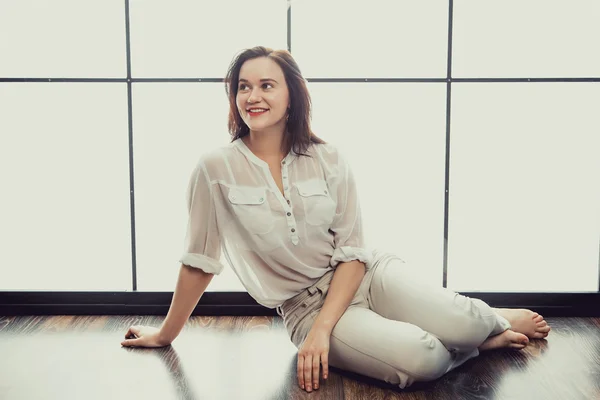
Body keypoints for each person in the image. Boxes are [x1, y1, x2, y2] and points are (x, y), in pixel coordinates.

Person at [120, 46, 551, 392]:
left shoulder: (328, 158)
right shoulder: (214, 168)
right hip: (303, 307)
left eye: (267, 85)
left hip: (365, 275)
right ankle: (477, 344)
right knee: (424, 358)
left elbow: (353, 252)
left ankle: (485, 322)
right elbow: (199, 260)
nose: (253, 97)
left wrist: (326, 331)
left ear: (291, 94)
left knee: (464, 320)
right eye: (243, 87)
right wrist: (165, 334)